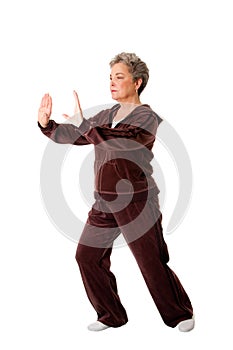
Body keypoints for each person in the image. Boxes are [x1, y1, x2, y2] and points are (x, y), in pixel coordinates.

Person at [38, 52, 194, 332]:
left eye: (119, 77)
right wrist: (47, 125)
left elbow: (123, 143)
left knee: (151, 262)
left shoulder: (147, 117)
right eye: (110, 77)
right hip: (104, 202)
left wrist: (87, 125)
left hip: (138, 203)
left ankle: (180, 314)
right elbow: (78, 135)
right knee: (86, 256)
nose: (112, 82)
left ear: (137, 82)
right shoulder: (107, 114)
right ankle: (111, 315)